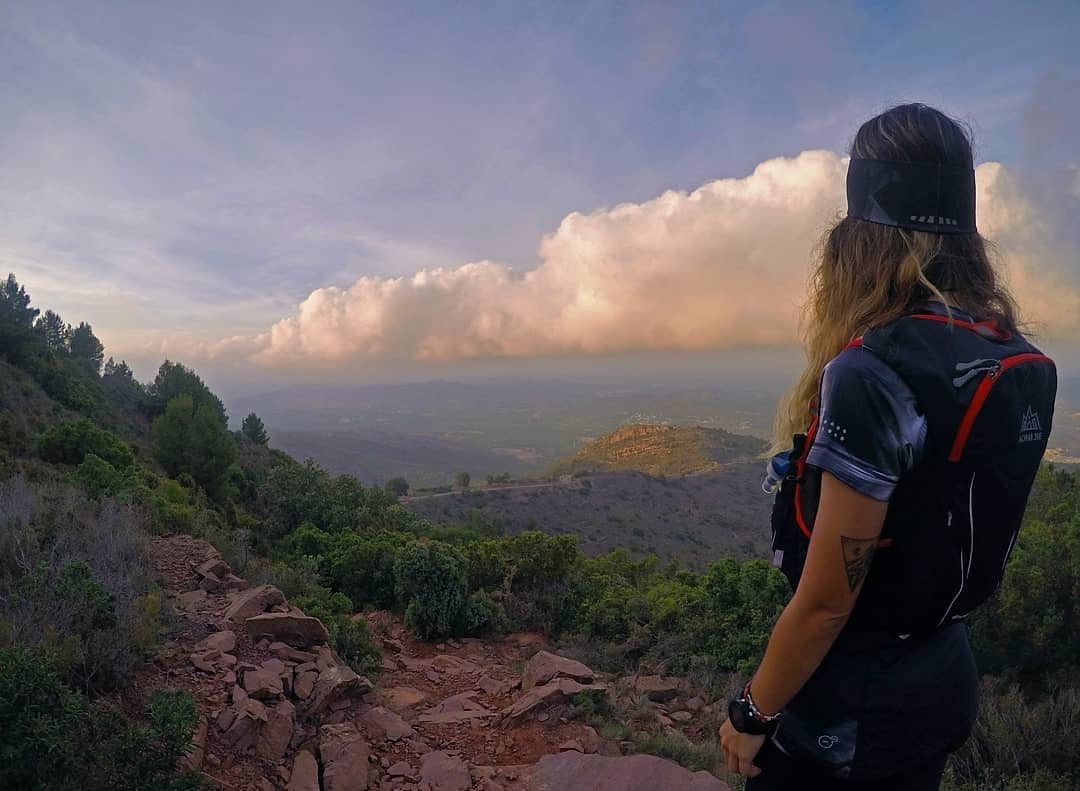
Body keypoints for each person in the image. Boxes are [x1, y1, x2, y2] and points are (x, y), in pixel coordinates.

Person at [719, 103, 1058, 790]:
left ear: (859, 239)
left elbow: (826, 603)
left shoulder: (874, 369)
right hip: (941, 672)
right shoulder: (1014, 357)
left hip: (850, 707)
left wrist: (751, 712)